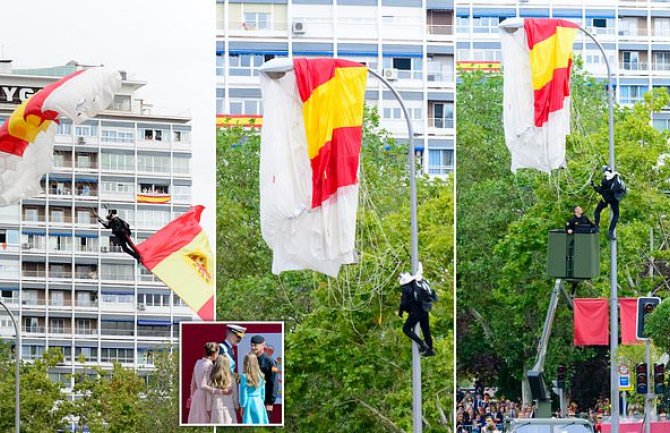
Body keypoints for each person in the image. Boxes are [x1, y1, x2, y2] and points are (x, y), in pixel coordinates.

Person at [398, 264, 437, 357]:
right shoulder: (417, 284)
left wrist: (400, 311)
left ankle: (422, 344)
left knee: (406, 329)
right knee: (426, 330)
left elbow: (403, 303)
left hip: (416, 312)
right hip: (424, 309)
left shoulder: (406, 288)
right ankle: (430, 349)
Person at [188, 342, 228, 424]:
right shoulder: (210, 366)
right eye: (217, 353)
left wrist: (192, 397)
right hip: (205, 397)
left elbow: (193, 383)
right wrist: (217, 391)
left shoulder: (198, 362)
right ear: (214, 353)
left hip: (196, 396)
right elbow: (204, 385)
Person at [591, 166, 625, 240]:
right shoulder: (616, 177)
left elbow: (600, 190)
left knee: (597, 211)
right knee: (616, 215)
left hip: (606, 198)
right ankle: (610, 231)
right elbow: (619, 187)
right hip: (614, 199)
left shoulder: (604, 180)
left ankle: (596, 226)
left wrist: (594, 186)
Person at [250, 335, 278, 415]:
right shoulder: (250, 360)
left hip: (264, 402)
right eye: (251, 345)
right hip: (252, 401)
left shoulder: (270, 362)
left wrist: (270, 402)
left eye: (255, 345)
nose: (253, 347)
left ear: (263, 345)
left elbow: (273, 382)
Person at [207, 355, 239, 425]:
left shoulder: (212, 380)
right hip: (229, 409)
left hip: (216, 409)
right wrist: (236, 406)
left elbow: (209, 396)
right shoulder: (232, 379)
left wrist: (208, 408)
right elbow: (235, 396)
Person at [239, 353, 269, 425]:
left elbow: (243, 394)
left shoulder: (244, 376)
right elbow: (263, 393)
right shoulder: (261, 375)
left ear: (245, 363)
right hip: (259, 403)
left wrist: (242, 406)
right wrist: (261, 402)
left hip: (249, 403)